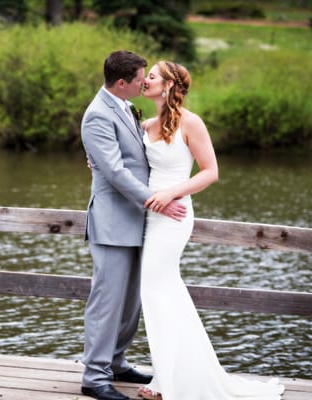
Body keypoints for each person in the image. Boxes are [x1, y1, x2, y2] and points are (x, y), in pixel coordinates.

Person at [136, 60, 285, 400]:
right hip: (149, 215)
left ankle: (169, 383)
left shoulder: (191, 123)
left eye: (154, 76)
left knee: (157, 290)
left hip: (173, 215)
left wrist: (173, 192)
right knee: (161, 294)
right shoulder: (146, 124)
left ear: (170, 85)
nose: (146, 80)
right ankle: (167, 378)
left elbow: (210, 172)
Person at [80, 50, 186, 400]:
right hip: (113, 222)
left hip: (138, 222)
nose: (145, 81)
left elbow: (132, 157)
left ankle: (116, 361)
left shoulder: (126, 107)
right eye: (141, 77)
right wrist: (156, 200)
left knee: (130, 303)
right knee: (107, 301)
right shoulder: (97, 114)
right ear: (122, 82)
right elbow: (115, 171)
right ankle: (95, 377)